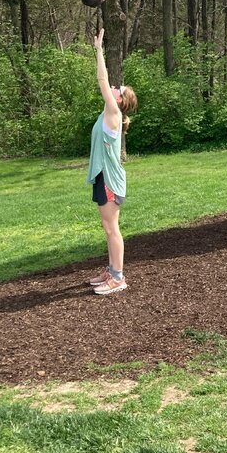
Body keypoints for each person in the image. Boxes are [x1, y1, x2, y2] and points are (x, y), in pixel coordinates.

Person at [86, 28, 138, 295]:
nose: (115, 87)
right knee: (107, 227)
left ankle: (118, 277)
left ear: (120, 100)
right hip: (103, 176)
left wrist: (98, 50)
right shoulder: (109, 113)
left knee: (111, 227)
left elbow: (102, 78)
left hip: (110, 180)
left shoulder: (113, 111)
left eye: (120, 89)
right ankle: (110, 269)